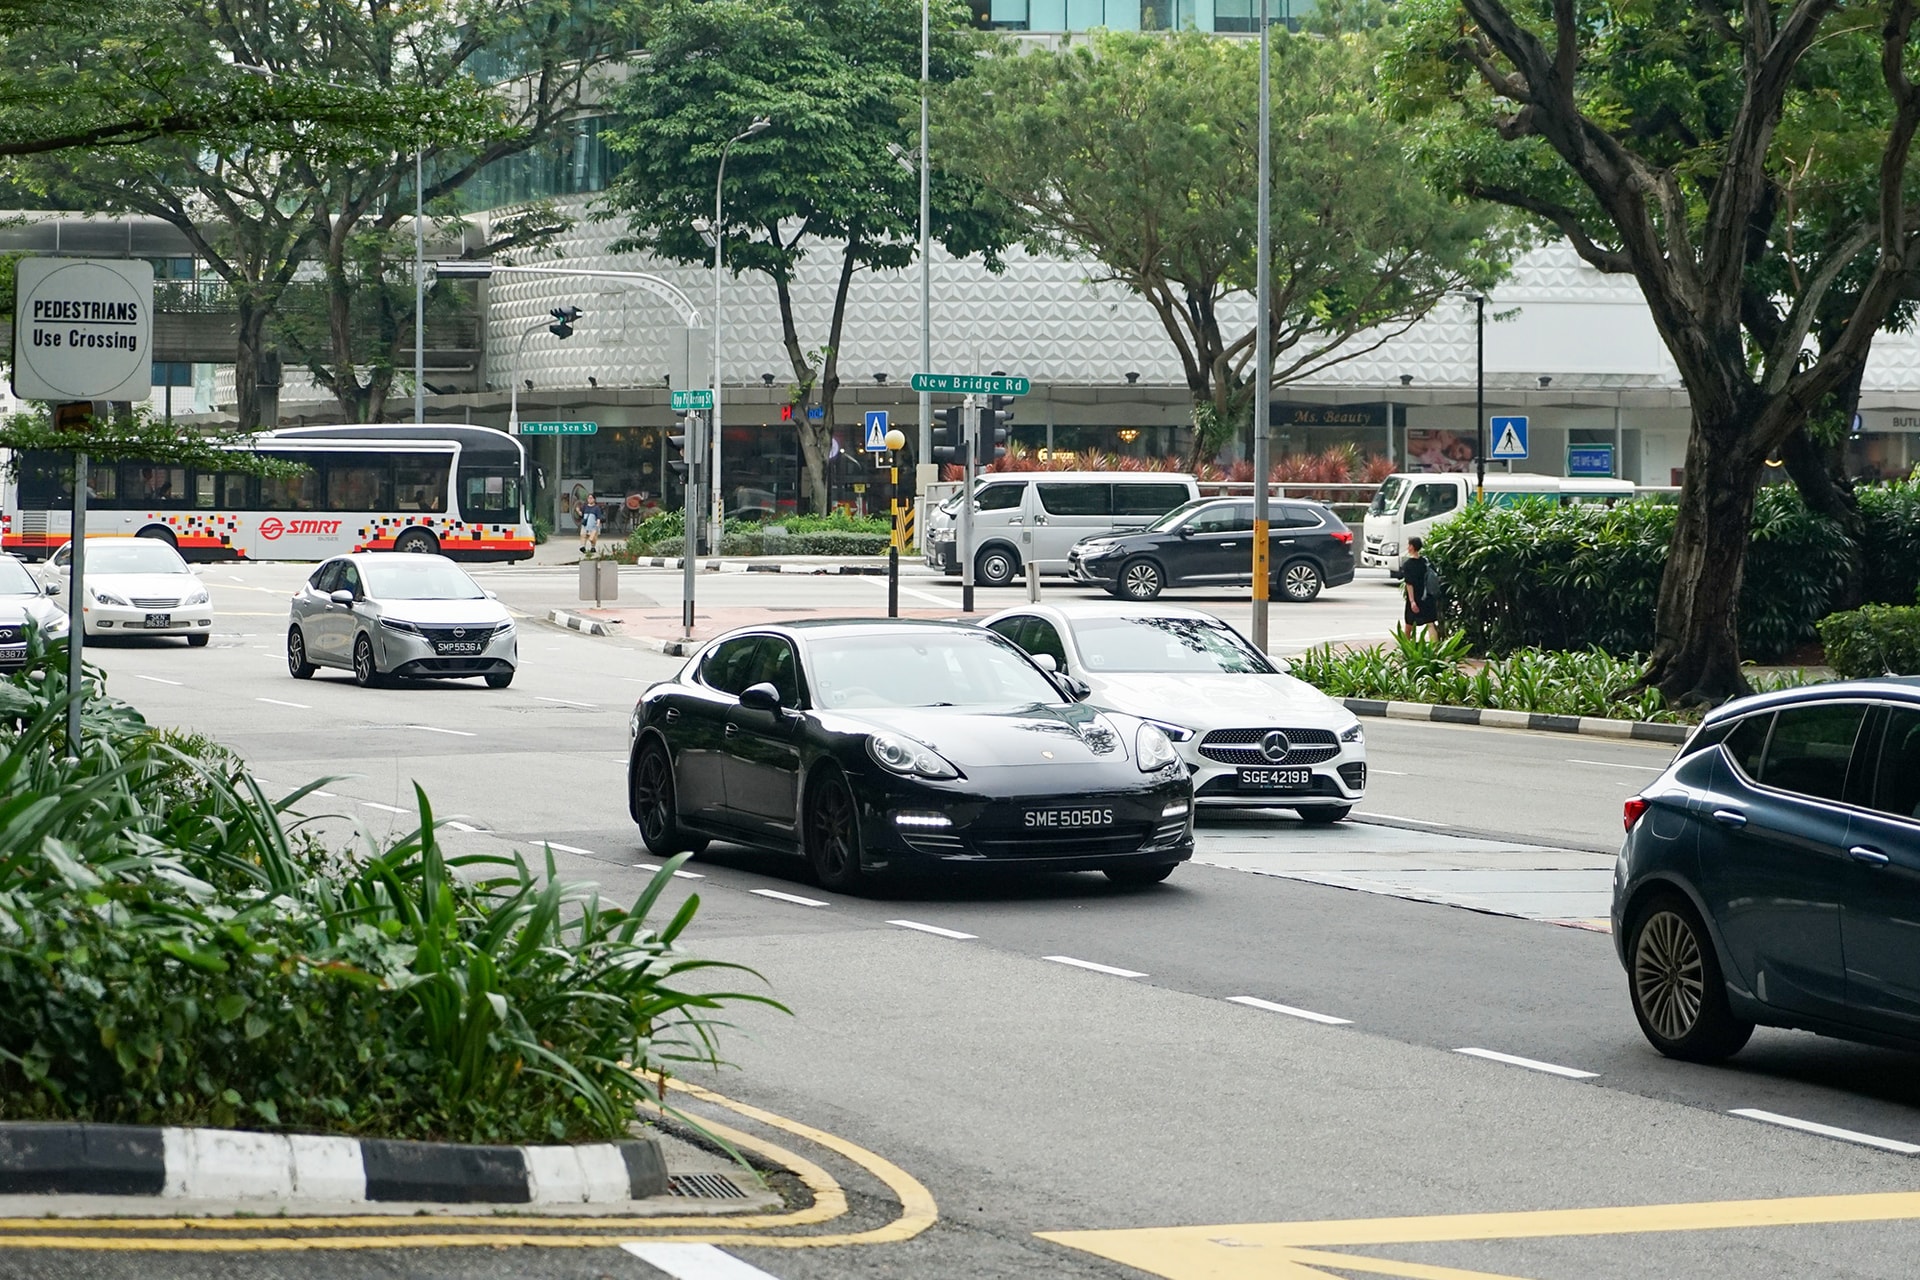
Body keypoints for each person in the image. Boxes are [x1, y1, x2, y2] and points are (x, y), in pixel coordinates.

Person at [1401, 536, 1439, 640]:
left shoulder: (1408, 565)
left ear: (1412, 547)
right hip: (1428, 596)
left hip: (1416, 597)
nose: (1408, 547)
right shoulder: (1426, 562)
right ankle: (1435, 647)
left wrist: (1412, 601)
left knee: (1409, 624)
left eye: (1409, 545)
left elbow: (1409, 584)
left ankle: (1406, 646)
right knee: (1430, 624)